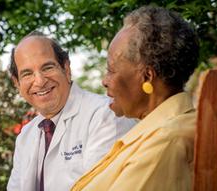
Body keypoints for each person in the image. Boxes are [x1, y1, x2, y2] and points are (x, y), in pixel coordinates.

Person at [72, 5, 199, 191]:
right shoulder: (156, 131)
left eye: (111, 70)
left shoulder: (164, 142)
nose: (104, 81)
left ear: (147, 77)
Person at [6, 32, 136, 191]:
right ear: (17, 83)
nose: (39, 81)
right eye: (27, 74)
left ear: (66, 69)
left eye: (47, 67)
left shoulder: (106, 115)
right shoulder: (25, 136)